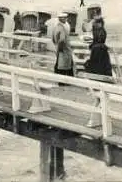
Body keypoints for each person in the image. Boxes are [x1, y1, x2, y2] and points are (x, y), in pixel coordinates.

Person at [50, 12, 72, 180]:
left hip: (60, 48)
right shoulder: (61, 28)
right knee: (64, 64)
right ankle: (63, 82)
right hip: (63, 49)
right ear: (61, 19)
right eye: (63, 18)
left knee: (60, 63)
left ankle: (61, 80)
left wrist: (57, 45)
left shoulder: (56, 27)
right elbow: (61, 40)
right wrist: (61, 46)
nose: (65, 20)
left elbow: (52, 39)